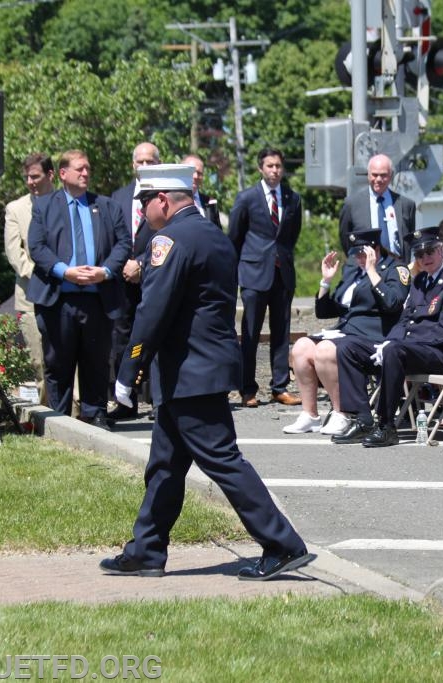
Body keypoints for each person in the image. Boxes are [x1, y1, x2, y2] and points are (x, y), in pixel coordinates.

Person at [102, 164, 315, 581]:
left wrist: (129, 369)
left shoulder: (169, 239)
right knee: (165, 465)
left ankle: (282, 543)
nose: (143, 211)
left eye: (145, 203)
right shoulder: (212, 235)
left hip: (190, 373)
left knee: (223, 461)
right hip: (200, 368)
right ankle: (146, 550)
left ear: (163, 200)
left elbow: (153, 311)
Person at [333, 226, 443, 447]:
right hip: (409, 349)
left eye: (429, 252)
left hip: (439, 354)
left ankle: (387, 426)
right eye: (419, 254)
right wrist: (390, 341)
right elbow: (404, 320)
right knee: (347, 347)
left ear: (440, 251)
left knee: (393, 351)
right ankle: (363, 419)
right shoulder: (420, 281)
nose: (425, 258)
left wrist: (399, 345)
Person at [27, 150, 130, 430]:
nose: (85, 173)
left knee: (96, 361)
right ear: (62, 173)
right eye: (79, 169)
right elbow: (36, 247)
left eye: (88, 169)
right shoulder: (44, 206)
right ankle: (59, 420)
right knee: (58, 362)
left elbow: (123, 243)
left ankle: (95, 413)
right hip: (59, 300)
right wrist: (65, 270)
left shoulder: (107, 206)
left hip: (98, 300)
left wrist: (105, 271)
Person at [284, 229, 409, 435]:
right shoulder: (353, 271)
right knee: (301, 347)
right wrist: (325, 281)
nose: (359, 258)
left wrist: (372, 271)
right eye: (356, 254)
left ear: (375, 249)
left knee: (324, 349)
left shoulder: (395, 270)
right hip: (347, 331)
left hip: (374, 335)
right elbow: (326, 312)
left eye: (363, 253)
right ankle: (310, 414)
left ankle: (343, 413)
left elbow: (393, 303)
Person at [229, 148, 303, 407]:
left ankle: (279, 387)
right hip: (253, 273)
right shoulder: (247, 198)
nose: (275, 170)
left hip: (282, 273)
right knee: (250, 333)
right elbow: (235, 237)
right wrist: (237, 271)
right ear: (261, 168)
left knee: (281, 333)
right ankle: (247, 389)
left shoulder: (293, 199)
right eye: (270, 166)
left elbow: (291, 236)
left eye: (279, 166)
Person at [108, 142, 161, 420]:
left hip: (152, 276)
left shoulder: (164, 196)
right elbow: (113, 237)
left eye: (150, 162)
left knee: (153, 336)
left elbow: (165, 234)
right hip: (121, 281)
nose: (144, 167)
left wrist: (141, 262)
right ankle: (125, 401)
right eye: (139, 162)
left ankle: (155, 401)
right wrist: (124, 265)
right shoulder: (118, 197)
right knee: (122, 338)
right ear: (132, 165)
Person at [4, 152, 55, 403]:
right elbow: (15, 254)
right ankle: (48, 417)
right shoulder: (15, 209)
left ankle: (77, 415)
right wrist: (45, 274)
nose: (30, 182)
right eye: (27, 177)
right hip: (31, 296)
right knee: (40, 361)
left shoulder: (67, 203)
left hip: (67, 294)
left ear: (50, 175)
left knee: (69, 358)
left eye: (35, 176)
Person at [338, 154, 416, 259]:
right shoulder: (352, 205)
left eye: (383, 175)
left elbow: (408, 241)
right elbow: (346, 240)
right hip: (366, 269)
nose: (378, 179)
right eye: (374, 175)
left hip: (397, 268)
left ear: (391, 175)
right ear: (368, 175)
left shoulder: (406, 205)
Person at [182, 153, 221, 227]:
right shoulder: (171, 200)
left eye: (199, 173)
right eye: (192, 171)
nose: (196, 176)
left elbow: (217, 232)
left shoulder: (209, 202)